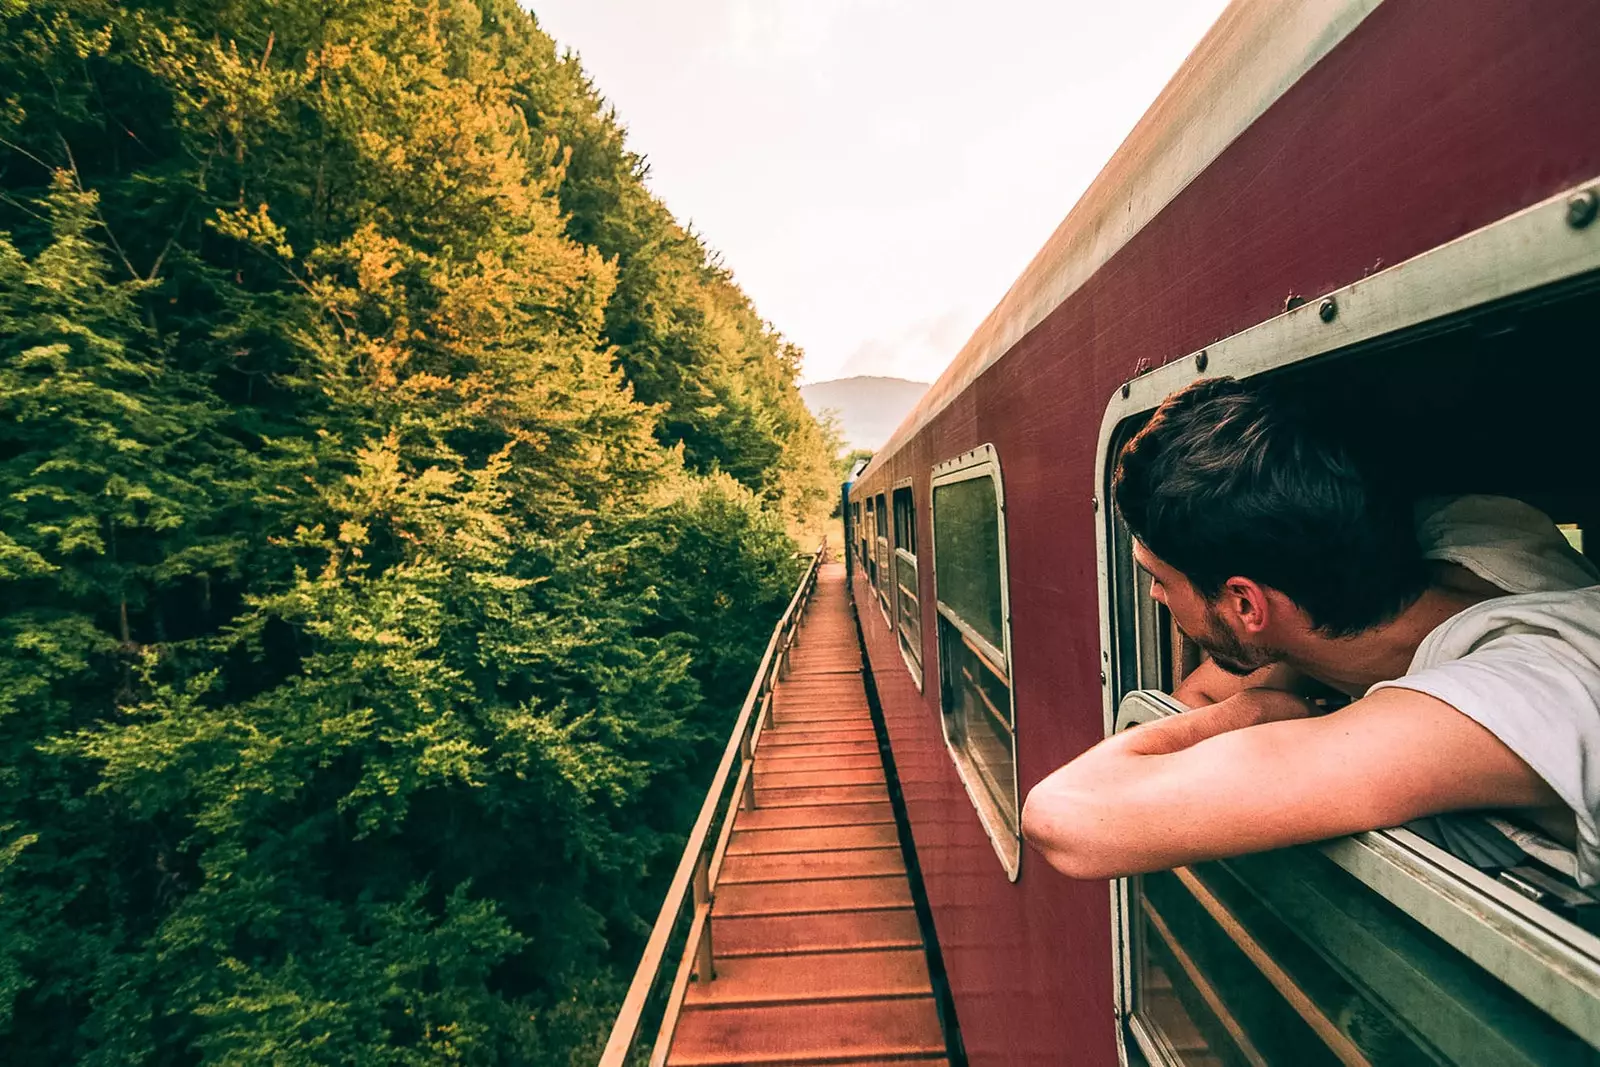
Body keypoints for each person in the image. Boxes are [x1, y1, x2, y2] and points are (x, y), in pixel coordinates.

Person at [1021, 377, 1600, 884]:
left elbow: (1066, 816)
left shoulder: (1504, 701)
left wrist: (1250, 713)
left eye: (1159, 579)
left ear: (1246, 603)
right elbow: (1213, 682)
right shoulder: (1481, 530)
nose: (1152, 595)